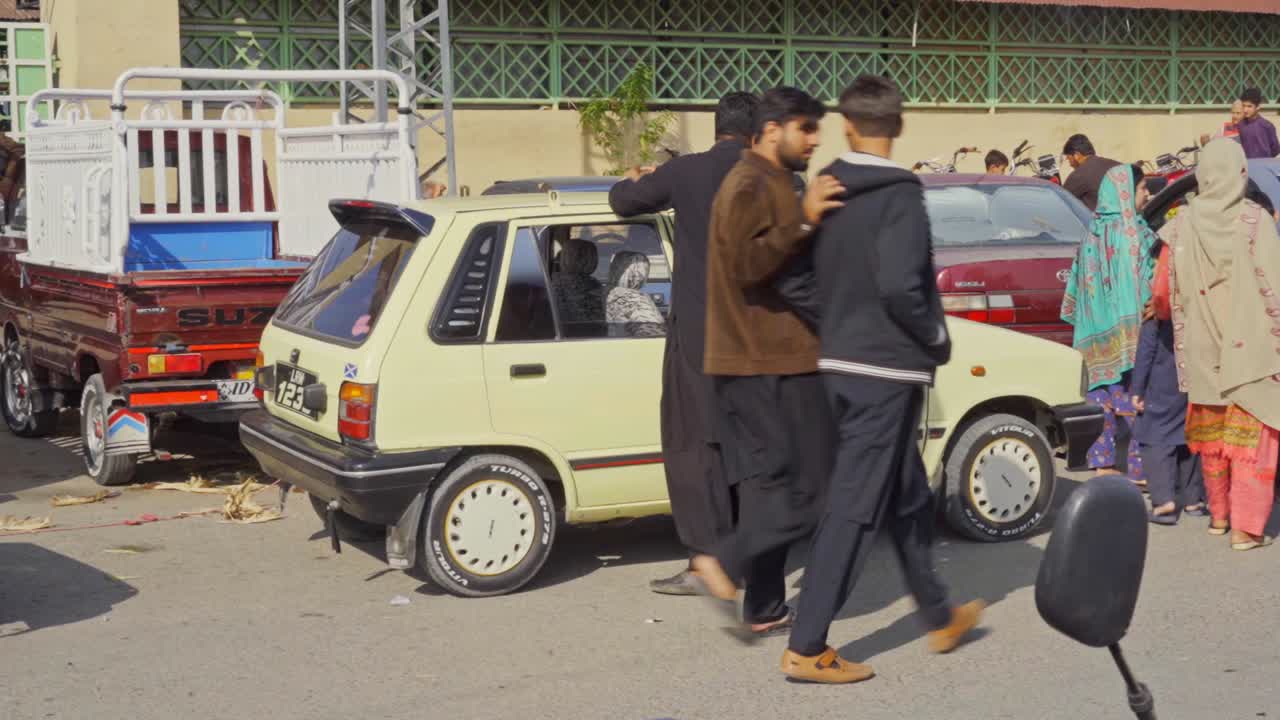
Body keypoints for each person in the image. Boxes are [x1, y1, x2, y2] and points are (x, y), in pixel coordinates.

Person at [778, 75, 984, 684]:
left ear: (846, 126)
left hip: (842, 365)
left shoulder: (826, 190)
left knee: (906, 493)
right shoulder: (900, 196)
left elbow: (794, 281)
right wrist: (935, 337)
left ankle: (940, 614)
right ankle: (807, 645)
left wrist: (839, 322)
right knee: (854, 505)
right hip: (884, 370)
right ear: (898, 125)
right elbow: (902, 287)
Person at [691, 87, 843, 641]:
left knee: (773, 485)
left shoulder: (772, 180)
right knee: (814, 486)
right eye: (806, 129)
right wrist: (803, 220)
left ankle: (764, 605)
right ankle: (726, 563)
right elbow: (749, 263)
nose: (814, 140)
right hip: (766, 361)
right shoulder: (749, 182)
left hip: (775, 357)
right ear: (773, 129)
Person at [608, 92, 757, 595]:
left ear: (717, 127)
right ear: (757, 133)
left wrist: (640, 178)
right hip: (757, 336)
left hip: (699, 334)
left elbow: (622, 202)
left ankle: (706, 564)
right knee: (748, 442)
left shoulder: (687, 173)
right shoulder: (773, 176)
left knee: (693, 444)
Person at [1164, 138, 1280, 551]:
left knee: (1214, 441)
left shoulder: (1180, 223)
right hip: (1250, 350)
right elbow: (1274, 287)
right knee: (1253, 442)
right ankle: (1246, 529)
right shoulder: (1254, 221)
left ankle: (1219, 517)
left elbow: (1163, 292)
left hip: (1201, 348)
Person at [1061, 164, 1157, 487]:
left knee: (1101, 397)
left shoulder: (1091, 233)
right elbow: (1148, 284)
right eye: (1143, 188)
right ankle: (1140, 469)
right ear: (1126, 193)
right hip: (1130, 334)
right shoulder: (1135, 234)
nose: (1148, 195)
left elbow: (1074, 286)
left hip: (1094, 334)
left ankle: (1102, 465)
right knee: (1135, 396)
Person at [1132, 237, 1206, 525]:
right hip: (1197, 378)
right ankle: (1194, 500)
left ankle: (1163, 502)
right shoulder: (1200, 304)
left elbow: (1146, 352)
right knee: (1190, 435)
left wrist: (1137, 390)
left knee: (1154, 436)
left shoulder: (1158, 310)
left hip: (1163, 381)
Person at [1062, 134, 1121, 211]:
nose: (1070, 164)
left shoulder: (1079, 175)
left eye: (1069, 159)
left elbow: (1061, 202)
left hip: (1100, 221)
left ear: (1077, 155)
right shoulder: (1117, 165)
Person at [1236, 87, 1280, 160]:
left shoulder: (1267, 126)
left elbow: (1275, 150)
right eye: (1243, 106)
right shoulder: (1240, 125)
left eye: (1249, 106)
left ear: (1258, 107)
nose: (1245, 110)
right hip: (1247, 167)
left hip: (1264, 167)